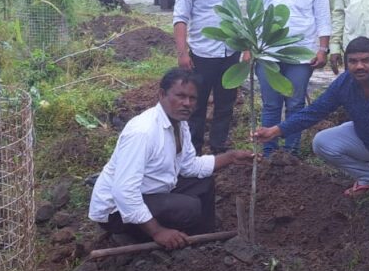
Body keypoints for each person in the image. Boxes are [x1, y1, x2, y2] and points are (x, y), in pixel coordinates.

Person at [88, 68, 254, 249]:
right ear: (162, 94)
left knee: (204, 183)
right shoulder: (143, 132)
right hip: (116, 212)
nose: (186, 103)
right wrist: (157, 231)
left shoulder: (180, 125)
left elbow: (190, 166)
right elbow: (124, 192)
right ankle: (146, 235)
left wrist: (230, 157)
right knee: (189, 208)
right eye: (180, 96)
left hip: (150, 193)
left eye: (192, 99)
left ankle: (205, 241)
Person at [254, 36, 369, 209]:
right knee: (322, 142)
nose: (359, 66)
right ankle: (368, 178)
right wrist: (276, 130)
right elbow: (315, 111)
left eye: (366, 60)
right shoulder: (344, 83)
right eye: (353, 61)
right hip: (365, 135)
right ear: (347, 64)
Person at [252, 0, 331, 157]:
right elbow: (254, 13)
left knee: (296, 104)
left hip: (301, 53)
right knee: (271, 104)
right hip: (267, 53)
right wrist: (250, 49)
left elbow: (323, 16)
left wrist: (322, 48)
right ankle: (268, 152)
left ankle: (290, 152)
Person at [172, 0, 253, 154]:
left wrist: (249, 47)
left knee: (225, 104)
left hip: (230, 54)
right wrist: (182, 54)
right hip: (202, 54)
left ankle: (218, 147)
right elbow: (180, 19)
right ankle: (194, 150)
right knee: (195, 105)